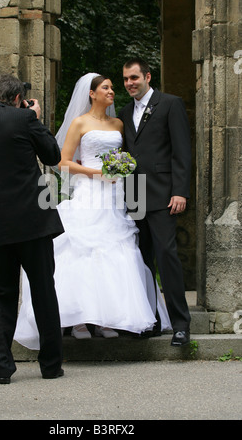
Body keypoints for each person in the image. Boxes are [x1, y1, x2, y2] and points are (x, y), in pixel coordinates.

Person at [14, 73, 171, 347]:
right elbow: (63, 163)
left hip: (115, 195)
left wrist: (122, 168)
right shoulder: (79, 123)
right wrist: (95, 172)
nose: (112, 91)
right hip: (89, 192)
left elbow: (127, 157)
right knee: (82, 250)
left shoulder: (119, 124)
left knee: (116, 249)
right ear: (92, 93)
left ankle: (107, 318)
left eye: (112, 87)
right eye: (106, 88)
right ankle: (79, 319)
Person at [0, 74, 65, 383]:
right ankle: (50, 366)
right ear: (19, 98)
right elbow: (53, 156)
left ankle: (1, 368)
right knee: (44, 291)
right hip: (33, 222)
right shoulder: (24, 119)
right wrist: (34, 118)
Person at [118, 57, 191, 346]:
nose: (129, 84)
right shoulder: (124, 112)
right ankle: (151, 321)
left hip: (163, 194)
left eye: (134, 78)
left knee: (167, 257)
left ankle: (180, 325)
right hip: (134, 194)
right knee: (142, 261)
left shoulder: (170, 104)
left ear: (148, 76)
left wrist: (180, 191)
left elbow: (181, 151)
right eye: (125, 79)